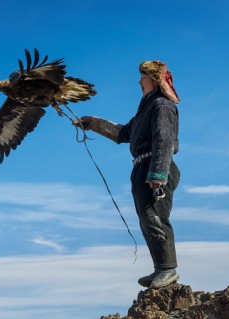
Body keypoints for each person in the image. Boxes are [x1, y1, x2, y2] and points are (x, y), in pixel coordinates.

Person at [74, 60, 181, 289]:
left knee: (155, 217)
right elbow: (123, 133)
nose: (139, 81)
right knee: (146, 220)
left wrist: (158, 175)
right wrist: (92, 123)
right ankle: (160, 269)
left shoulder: (162, 105)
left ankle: (168, 269)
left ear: (153, 80)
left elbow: (165, 140)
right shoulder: (146, 109)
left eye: (143, 77)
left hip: (156, 168)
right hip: (143, 169)